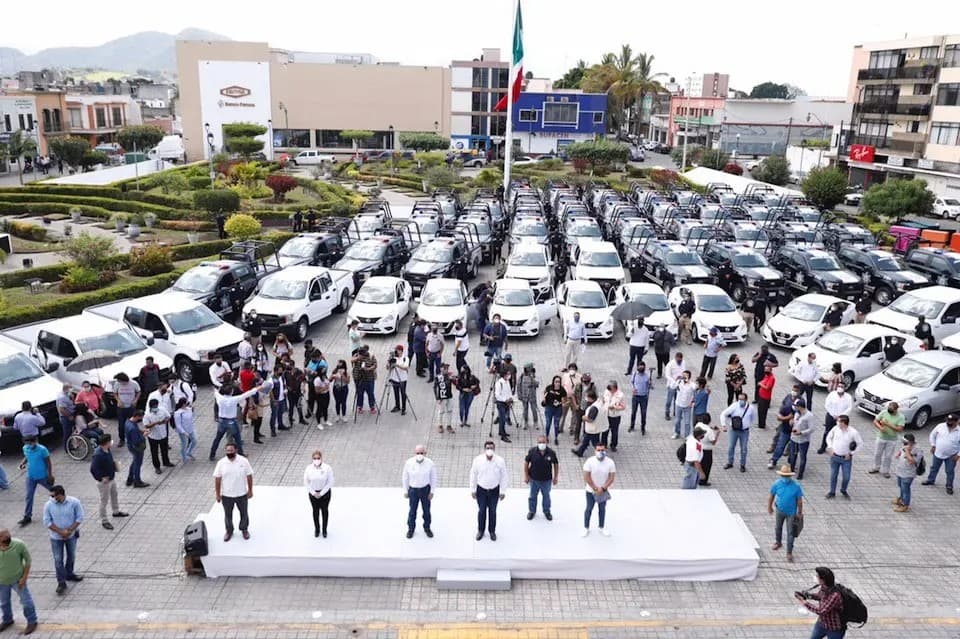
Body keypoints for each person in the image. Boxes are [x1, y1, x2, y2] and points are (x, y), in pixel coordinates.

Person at [42, 485, 84, 595]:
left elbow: (79, 517)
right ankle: (61, 582)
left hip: (71, 535)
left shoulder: (74, 502)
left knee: (71, 555)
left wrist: (70, 530)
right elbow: (47, 521)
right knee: (58, 559)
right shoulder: (48, 505)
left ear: (61, 495)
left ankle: (69, 573)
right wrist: (60, 532)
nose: (52, 498)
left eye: (54, 496)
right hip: (56, 537)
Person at [209, 383, 262, 460]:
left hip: (222, 421)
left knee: (217, 438)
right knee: (237, 438)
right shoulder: (234, 399)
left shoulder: (220, 398)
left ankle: (212, 454)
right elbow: (247, 394)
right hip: (231, 421)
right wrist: (257, 388)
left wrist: (214, 388)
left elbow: (215, 392)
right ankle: (240, 453)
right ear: (231, 392)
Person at [214, 443, 254, 542]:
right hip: (227, 495)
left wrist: (250, 490)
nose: (229, 453)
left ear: (236, 450)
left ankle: (244, 529)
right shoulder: (221, 463)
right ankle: (229, 531)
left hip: (241, 493)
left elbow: (249, 476)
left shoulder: (243, 461)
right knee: (228, 515)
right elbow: (217, 479)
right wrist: (218, 494)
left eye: (231, 450)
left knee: (244, 513)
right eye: (227, 451)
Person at [469, 441, 508, 541]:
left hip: (494, 491)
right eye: (487, 448)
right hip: (481, 490)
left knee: (493, 511)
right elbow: (473, 474)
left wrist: (503, 491)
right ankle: (481, 530)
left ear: (494, 449)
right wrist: (473, 489)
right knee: (482, 511)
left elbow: (504, 476)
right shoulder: (478, 460)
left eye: (491, 448)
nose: (489, 450)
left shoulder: (500, 461)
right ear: (484, 449)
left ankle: (492, 531)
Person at [0, 530, 37, 635]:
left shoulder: (19, 545)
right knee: (4, 602)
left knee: (26, 601)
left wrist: (24, 578)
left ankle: (32, 621)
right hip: (2, 581)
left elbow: (28, 560)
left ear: (4, 542)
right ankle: (7, 620)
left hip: (18, 580)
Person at [89, 434, 128, 530]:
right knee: (104, 501)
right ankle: (104, 520)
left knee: (114, 495)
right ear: (106, 443)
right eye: (110, 441)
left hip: (111, 478)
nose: (111, 442)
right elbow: (93, 469)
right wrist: (101, 478)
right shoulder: (98, 455)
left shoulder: (107, 450)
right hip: (104, 482)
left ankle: (116, 511)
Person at [796, 567, 845, 639]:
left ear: (823, 580)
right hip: (821, 624)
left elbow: (821, 611)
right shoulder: (824, 587)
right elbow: (819, 596)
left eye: (817, 576)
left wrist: (804, 602)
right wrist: (807, 595)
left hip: (834, 628)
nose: (816, 577)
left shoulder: (835, 595)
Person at [768, 464, 803, 563]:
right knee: (778, 527)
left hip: (791, 513)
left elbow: (799, 500)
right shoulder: (776, 484)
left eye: (787, 476)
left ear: (790, 476)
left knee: (790, 533)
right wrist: (769, 507)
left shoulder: (796, 486)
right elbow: (771, 495)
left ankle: (789, 552)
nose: (785, 478)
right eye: (784, 476)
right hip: (779, 510)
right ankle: (778, 542)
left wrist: (799, 512)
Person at [402, 445, 437, 538]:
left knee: (426, 511)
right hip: (413, 491)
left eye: (422, 453)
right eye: (418, 453)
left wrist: (432, 491)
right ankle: (411, 529)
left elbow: (433, 478)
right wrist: (405, 490)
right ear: (415, 453)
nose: (420, 455)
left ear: (425, 453)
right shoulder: (409, 463)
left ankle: (427, 528)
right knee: (412, 511)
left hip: (425, 490)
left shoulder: (430, 463)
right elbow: (405, 477)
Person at [825, 415, 863, 499]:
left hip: (846, 459)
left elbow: (860, 444)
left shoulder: (853, 432)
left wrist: (851, 453)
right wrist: (830, 447)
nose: (837, 423)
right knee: (833, 475)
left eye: (839, 421)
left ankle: (843, 489)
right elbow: (828, 438)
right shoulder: (835, 429)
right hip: (835, 456)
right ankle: (832, 491)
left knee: (846, 477)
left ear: (843, 423)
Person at [922, 413, 960, 495]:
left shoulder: (959, 431)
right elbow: (932, 435)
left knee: (949, 471)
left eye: (951, 422)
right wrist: (933, 445)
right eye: (948, 421)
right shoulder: (940, 426)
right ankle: (930, 480)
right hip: (938, 452)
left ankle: (949, 486)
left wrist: (958, 455)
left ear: (957, 422)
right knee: (934, 468)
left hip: (951, 455)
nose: (949, 423)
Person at [582, 444, 615, 536]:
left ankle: (601, 527)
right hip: (590, 490)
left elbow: (611, 477)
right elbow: (586, 476)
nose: (601, 452)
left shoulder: (610, 462)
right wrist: (595, 488)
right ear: (595, 451)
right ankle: (586, 527)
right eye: (598, 450)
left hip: (603, 491)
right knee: (589, 509)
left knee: (602, 509)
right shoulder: (589, 461)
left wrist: (603, 488)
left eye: (602, 450)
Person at [524, 435, 559, 521]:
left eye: (543, 442)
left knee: (546, 496)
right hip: (534, 479)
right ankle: (532, 511)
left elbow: (556, 464)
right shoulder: (532, 451)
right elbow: (526, 463)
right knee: (532, 496)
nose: (541, 444)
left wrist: (556, 477)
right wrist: (526, 475)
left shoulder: (551, 453)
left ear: (547, 442)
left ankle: (546, 511)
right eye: (540, 442)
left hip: (546, 480)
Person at [722, 392, 756, 472]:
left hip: (744, 431)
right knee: (731, 447)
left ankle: (742, 465)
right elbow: (724, 414)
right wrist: (724, 425)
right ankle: (730, 462)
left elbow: (753, 418)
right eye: (739, 399)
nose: (740, 401)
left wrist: (746, 424)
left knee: (744, 449)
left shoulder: (751, 408)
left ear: (746, 400)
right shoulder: (734, 406)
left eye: (742, 399)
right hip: (734, 430)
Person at [303, 450, 334, 538]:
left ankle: (324, 530)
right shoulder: (309, 468)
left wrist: (322, 493)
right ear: (312, 459)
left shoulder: (327, 468)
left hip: (325, 495)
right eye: (314, 458)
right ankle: (317, 529)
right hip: (313, 495)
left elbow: (330, 482)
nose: (316, 460)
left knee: (324, 511)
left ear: (321, 458)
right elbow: (306, 482)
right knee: (315, 512)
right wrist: (313, 493)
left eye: (318, 458)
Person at [869, 401, 905, 477]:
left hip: (892, 439)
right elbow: (875, 421)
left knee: (888, 456)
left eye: (892, 411)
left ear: (896, 410)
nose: (890, 412)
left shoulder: (901, 417)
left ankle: (885, 471)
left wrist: (887, 424)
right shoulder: (884, 412)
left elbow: (900, 429)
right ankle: (876, 467)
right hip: (881, 437)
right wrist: (880, 427)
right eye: (889, 409)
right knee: (877, 454)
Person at [818, 382, 853, 455]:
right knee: (827, 432)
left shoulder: (848, 397)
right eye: (839, 386)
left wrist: (840, 416)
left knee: (839, 433)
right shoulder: (832, 395)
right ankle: (823, 447)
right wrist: (833, 414)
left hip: (842, 418)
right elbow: (827, 405)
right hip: (831, 416)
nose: (840, 388)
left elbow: (849, 408)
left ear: (845, 388)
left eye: (842, 386)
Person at [143, 398, 174, 474]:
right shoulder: (147, 414)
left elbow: (168, 416)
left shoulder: (162, 409)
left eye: (156, 406)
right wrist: (155, 423)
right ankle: (157, 467)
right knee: (154, 452)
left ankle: (166, 462)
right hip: (153, 436)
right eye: (154, 406)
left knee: (164, 449)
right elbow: (146, 425)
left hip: (163, 434)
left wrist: (165, 421)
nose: (155, 408)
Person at [787, 399, 815, 480]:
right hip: (794, 438)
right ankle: (791, 470)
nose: (794, 407)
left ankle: (800, 474)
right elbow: (795, 422)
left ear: (800, 407)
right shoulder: (797, 413)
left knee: (802, 456)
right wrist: (791, 423)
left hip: (803, 440)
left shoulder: (809, 416)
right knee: (792, 454)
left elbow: (812, 429)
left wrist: (801, 432)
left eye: (796, 406)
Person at [572, 388, 605, 457]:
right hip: (594, 427)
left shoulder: (594, 408)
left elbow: (590, 419)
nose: (586, 398)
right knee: (586, 441)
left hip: (592, 428)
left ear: (590, 398)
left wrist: (584, 417)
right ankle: (580, 452)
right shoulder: (598, 403)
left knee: (595, 443)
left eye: (587, 397)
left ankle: (601, 454)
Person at [893, 433, 922, 512]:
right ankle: (901, 498)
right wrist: (899, 453)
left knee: (906, 488)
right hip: (900, 470)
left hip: (908, 473)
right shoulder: (905, 446)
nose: (903, 444)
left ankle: (905, 505)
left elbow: (912, 461)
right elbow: (901, 450)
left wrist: (907, 451)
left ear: (911, 442)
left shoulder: (918, 450)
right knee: (901, 486)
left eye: (905, 442)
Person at [123, 411, 149, 488]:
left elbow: (136, 431)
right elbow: (136, 441)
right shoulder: (132, 428)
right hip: (136, 448)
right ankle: (137, 481)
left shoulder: (128, 422)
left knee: (134, 462)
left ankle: (130, 479)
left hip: (130, 446)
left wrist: (141, 431)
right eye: (141, 417)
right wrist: (144, 435)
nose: (141, 419)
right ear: (137, 416)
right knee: (137, 464)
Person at [351, 345, 378, 414]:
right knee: (359, 393)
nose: (362, 356)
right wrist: (358, 358)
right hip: (358, 378)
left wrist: (368, 369)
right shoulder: (357, 355)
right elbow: (351, 360)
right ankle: (360, 407)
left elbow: (375, 365)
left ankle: (372, 407)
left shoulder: (371, 356)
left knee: (370, 393)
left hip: (369, 378)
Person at [628, 361, 651, 435]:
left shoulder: (647, 376)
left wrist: (650, 384)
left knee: (643, 413)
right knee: (633, 412)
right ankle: (632, 426)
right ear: (637, 367)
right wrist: (633, 388)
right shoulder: (634, 374)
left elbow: (650, 386)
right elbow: (631, 382)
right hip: (635, 396)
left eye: (642, 366)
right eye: (640, 366)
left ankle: (643, 428)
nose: (641, 367)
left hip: (644, 397)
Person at [542, 375, 566, 445]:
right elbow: (544, 394)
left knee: (556, 425)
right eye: (556, 382)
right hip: (549, 408)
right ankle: (546, 436)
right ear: (553, 382)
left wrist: (561, 403)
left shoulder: (562, 390)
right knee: (548, 423)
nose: (557, 383)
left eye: (559, 382)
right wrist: (544, 399)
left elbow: (564, 399)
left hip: (558, 409)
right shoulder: (549, 388)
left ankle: (556, 438)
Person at [602, 380, 626, 452]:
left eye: (610, 388)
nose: (609, 389)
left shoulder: (621, 395)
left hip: (615, 416)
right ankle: (604, 444)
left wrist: (615, 408)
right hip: (606, 414)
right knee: (605, 430)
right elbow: (603, 400)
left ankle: (613, 445)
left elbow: (623, 407)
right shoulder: (606, 392)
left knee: (614, 432)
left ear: (615, 388)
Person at [385, 345, 409, 415]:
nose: (396, 351)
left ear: (401, 350)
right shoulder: (393, 358)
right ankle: (397, 406)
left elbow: (405, 367)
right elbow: (388, 368)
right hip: (394, 378)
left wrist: (397, 365)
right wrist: (389, 363)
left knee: (403, 393)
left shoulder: (405, 358)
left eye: (397, 350)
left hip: (402, 379)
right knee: (396, 393)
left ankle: (403, 408)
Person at [664, 352, 688, 422]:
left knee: (677, 400)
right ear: (675, 358)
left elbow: (684, 371)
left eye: (680, 360)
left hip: (680, 385)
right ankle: (667, 413)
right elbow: (667, 375)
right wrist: (674, 379)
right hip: (672, 385)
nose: (679, 361)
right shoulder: (670, 364)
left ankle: (676, 413)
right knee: (669, 400)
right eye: (678, 360)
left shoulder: (683, 362)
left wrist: (683, 378)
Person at [173, 398, 197, 463]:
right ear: (183, 404)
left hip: (190, 429)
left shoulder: (189, 409)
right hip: (183, 431)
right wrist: (184, 432)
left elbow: (192, 417)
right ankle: (184, 458)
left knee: (194, 441)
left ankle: (188, 452)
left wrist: (193, 410)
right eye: (187, 402)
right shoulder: (178, 413)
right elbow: (178, 425)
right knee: (184, 444)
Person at [673, 371, 696, 440]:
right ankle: (677, 433)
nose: (684, 377)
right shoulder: (679, 382)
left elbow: (695, 388)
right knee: (677, 421)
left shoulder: (691, 384)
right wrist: (676, 380)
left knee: (687, 423)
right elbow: (673, 386)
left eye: (686, 376)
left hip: (687, 406)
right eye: (683, 375)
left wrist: (688, 381)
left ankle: (687, 436)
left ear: (689, 377)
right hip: (679, 404)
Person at [517, 364, 540, 431]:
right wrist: (519, 395)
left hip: (532, 396)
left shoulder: (533, 375)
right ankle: (526, 422)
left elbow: (537, 384)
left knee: (534, 409)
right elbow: (518, 386)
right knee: (525, 410)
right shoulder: (521, 376)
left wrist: (532, 378)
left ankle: (535, 422)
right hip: (524, 396)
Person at [434, 363, 455, 434]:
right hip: (442, 397)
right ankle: (440, 425)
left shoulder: (449, 376)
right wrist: (437, 398)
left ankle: (449, 425)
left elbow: (455, 382)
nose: (445, 370)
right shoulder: (438, 377)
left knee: (449, 411)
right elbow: (435, 387)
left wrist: (453, 379)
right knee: (441, 411)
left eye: (446, 369)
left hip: (449, 396)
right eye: (444, 369)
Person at [494, 369, 514, 443]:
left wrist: (510, 398)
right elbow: (497, 395)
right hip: (501, 403)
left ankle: (501, 431)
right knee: (502, 419)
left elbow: (508, 391)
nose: (509, 375)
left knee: (504, 417)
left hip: (507, 402)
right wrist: (505, 399)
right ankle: (503, 435)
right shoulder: (499, 383)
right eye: (508, 374)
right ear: (504, 375)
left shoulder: (507, 382)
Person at [698, 414, 718, 485]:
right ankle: (703, 481)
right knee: (706, 466)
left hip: (698, 448)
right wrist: (717, 434)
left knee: (699, 463)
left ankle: (697, 477)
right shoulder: (709, 431)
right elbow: (713, 442)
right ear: (709, 421)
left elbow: (705, 426)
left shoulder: (699, 425)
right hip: (707, 451)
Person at [560, 364, 580, 436]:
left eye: (573, 369)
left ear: (576, 370)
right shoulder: (565, 376)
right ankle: (560, 428)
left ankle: (572, 429)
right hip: (566, 397)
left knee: (574, 414)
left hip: (575, 398)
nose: (572, 370)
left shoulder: (579, 377)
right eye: (570, 368)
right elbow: (562, 386)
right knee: (563, 413)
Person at [756, 364, 776, 430]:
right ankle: (760, 423)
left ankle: (762, 425)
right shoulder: (766, 376)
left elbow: (767, 387)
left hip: (765, 397)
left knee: (763, 411)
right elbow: (763, 381)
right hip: (761, 396)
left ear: (770, 370)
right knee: (759, 410)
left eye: (767, 370)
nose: (765, 371)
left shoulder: (771, 378)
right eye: (765, 369)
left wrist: (760, 384)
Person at [55, 384, 74, 451]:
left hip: (69, 414)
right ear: (66, 389)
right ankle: (67, 448)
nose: (71, 390)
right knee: (67, 433)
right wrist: (69, 416)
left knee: (70, 432)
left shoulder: (66, 394)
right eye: (70, 388)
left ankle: (70, 445)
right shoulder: (62, 397)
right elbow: (62, 409)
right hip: (65, 417)